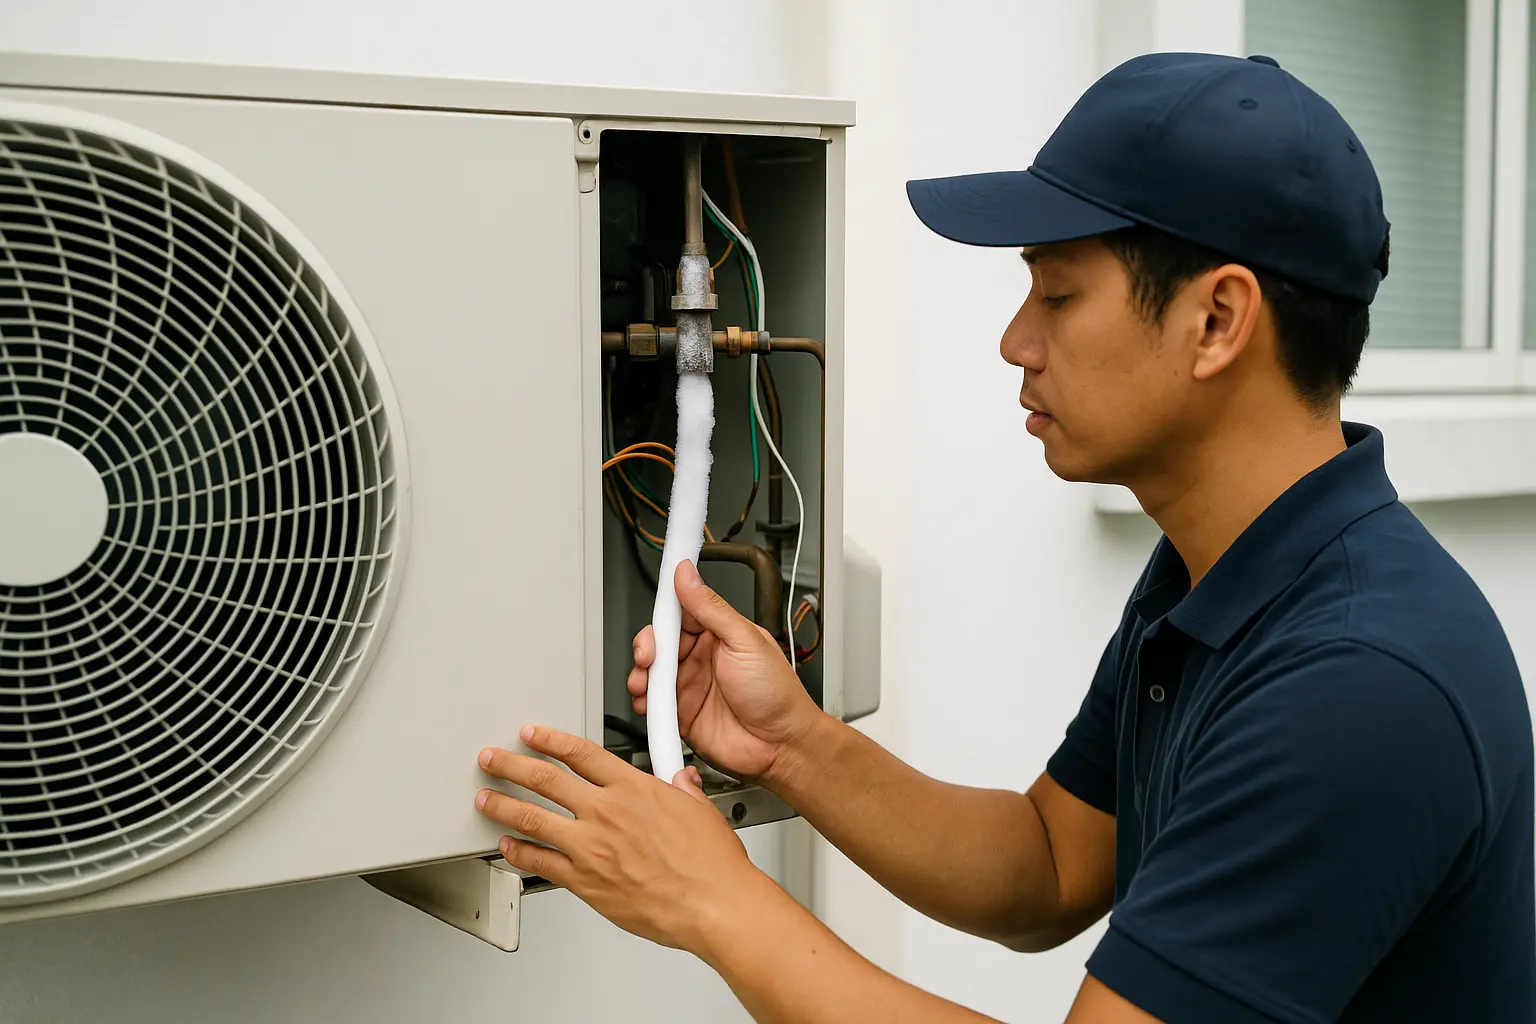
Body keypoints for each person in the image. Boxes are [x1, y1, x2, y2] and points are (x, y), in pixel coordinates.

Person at [474, 51, 1536, 1022]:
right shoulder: (1219, 571)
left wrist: (714, 902)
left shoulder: (1355, 680)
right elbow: (1051, 864)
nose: (1015, 340)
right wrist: (793, 744)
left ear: (1217, 320)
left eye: (1059, 294)